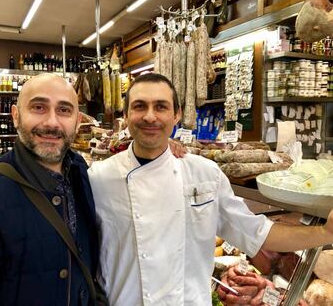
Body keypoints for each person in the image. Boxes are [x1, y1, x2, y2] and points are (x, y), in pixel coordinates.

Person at [87, 73, 333, 305]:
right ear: (126, 114)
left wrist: (325, 232)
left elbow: (258, 233)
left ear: (176, 115)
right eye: (140, 106)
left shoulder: (205, 174)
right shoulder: (98, 178)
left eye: (161, 106)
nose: (150, 116)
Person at [0, 74, 101, 305]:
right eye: (38, 107)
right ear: (16, 115)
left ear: (77, 120)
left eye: (64, 110)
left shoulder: (81, 176)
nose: (52, 122)